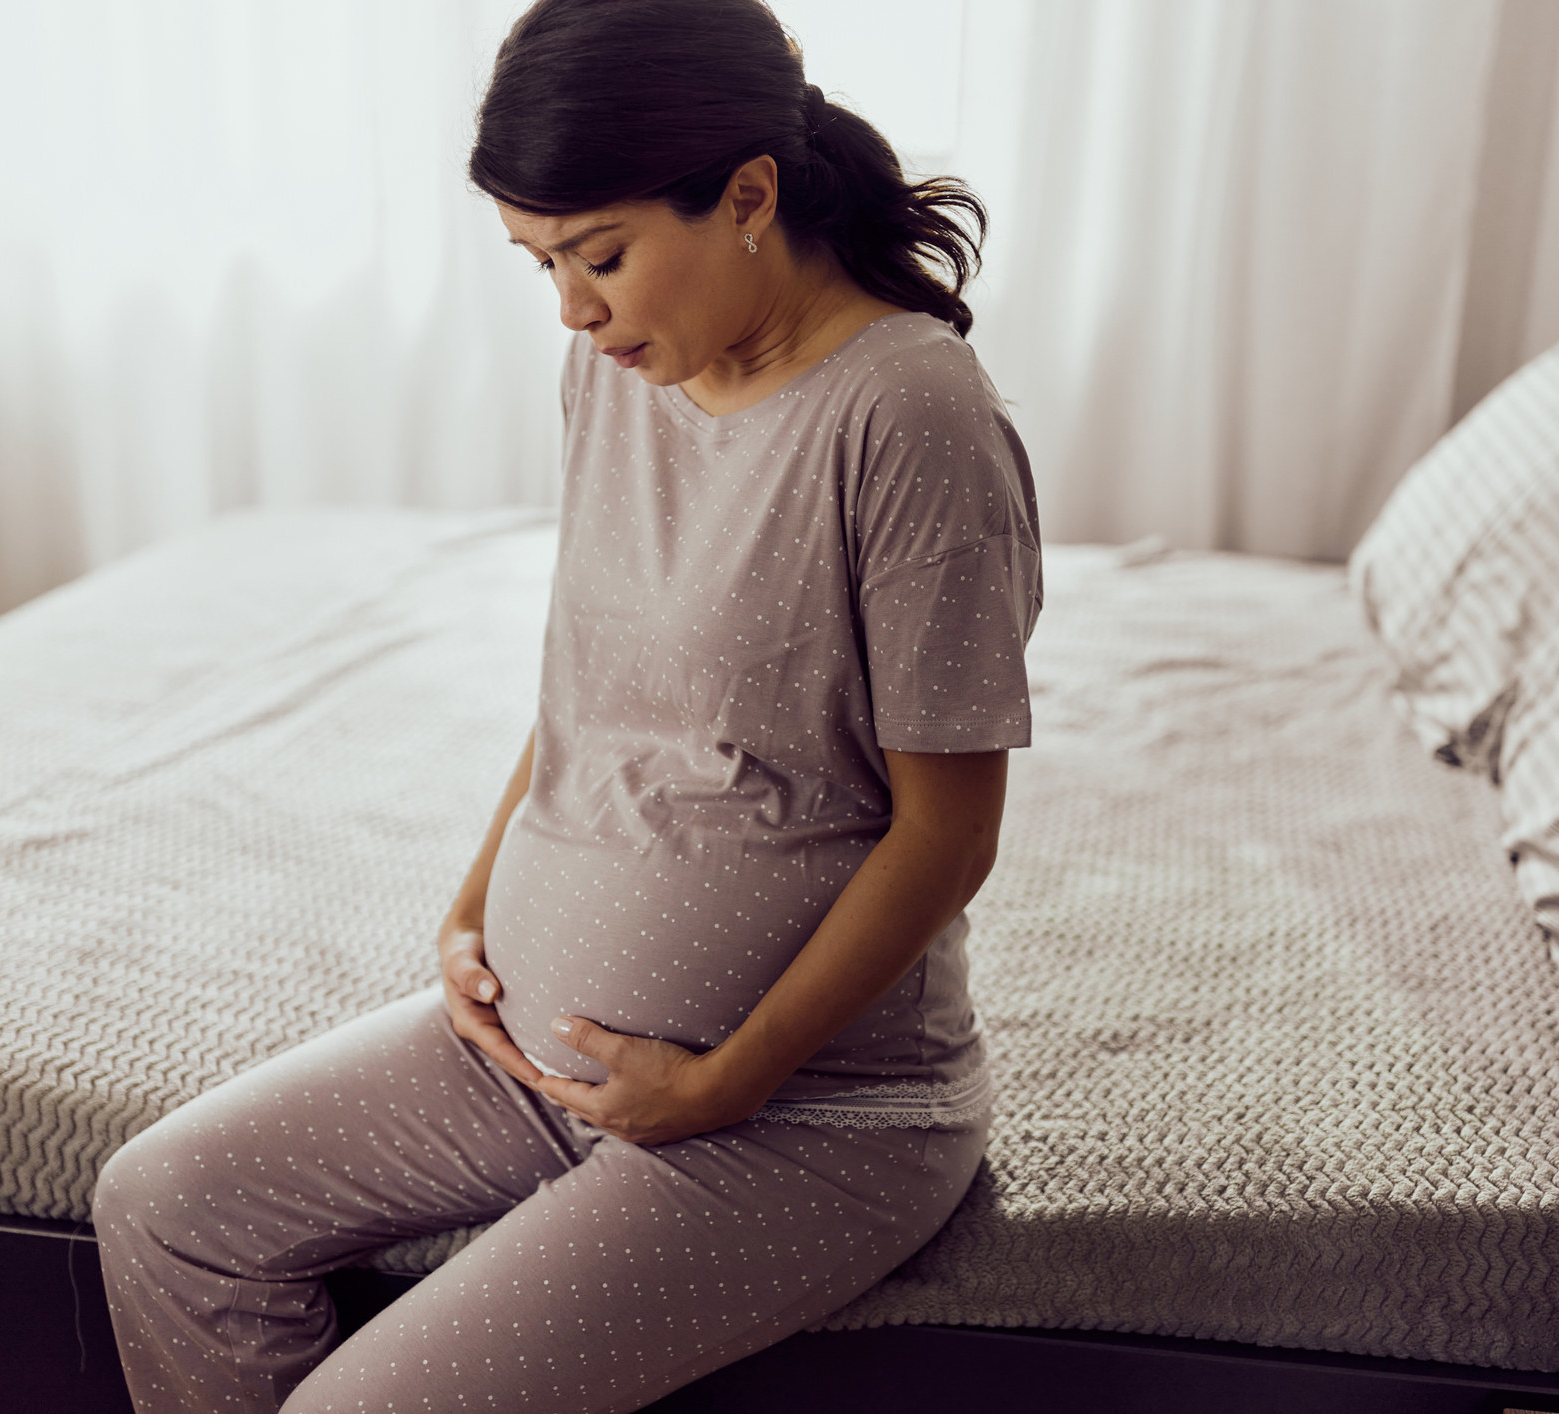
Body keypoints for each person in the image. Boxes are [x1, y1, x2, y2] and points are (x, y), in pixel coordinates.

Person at [92, 0, 1042, 1408]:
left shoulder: (907, 415)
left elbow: (947, 835)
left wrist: (730, 1077)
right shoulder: (616, 376)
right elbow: (601, 685)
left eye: (600, 255)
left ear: (748, 196)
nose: (575, 309)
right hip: (527, 1056)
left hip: (803, 1116)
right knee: (161, 1202)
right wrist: (477, 904)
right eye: (538, 263)